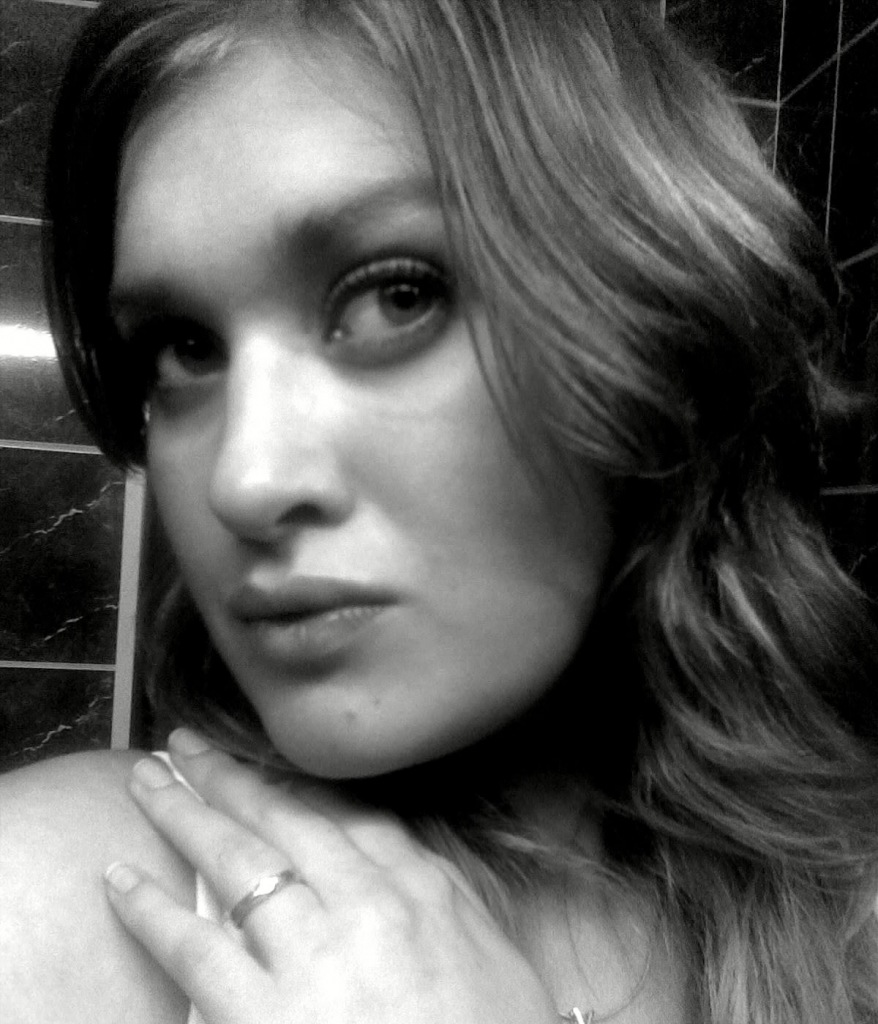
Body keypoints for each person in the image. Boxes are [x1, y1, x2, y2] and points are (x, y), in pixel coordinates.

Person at [1, 0, 877, 1022]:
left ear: (659, 331)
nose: (244, 478)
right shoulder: (55, 911)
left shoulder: (851, 915)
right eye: (184, 348)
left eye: (394, 296)